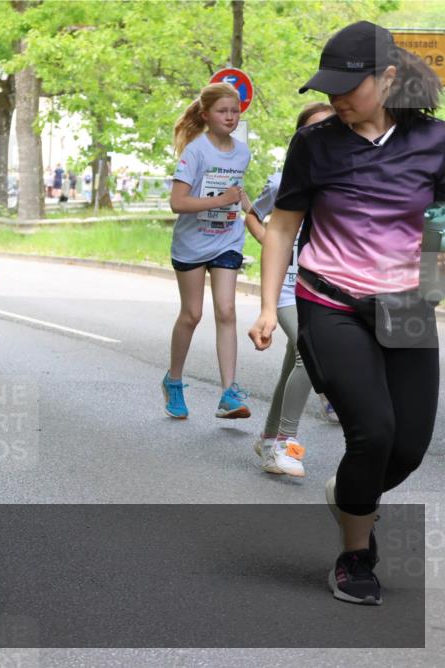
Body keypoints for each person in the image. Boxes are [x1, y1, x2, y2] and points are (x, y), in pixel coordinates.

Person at [249, 21, 443, 606]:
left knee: (407, 446)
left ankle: (353, 493)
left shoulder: (436, 142)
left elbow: (439, 222)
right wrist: (265, 305)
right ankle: (356, 553)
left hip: (407, 304)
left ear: (388, 79)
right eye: (327, 88)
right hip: (330, 299)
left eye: (346, 87)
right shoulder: (316, 143)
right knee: (373, 431)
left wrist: (432, 290)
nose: (334, 99)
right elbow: (282, 226)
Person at [245, 102, 336, 477]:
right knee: (309, 355)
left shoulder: (345, 180)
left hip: (324, 286)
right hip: (286, 288)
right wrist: (273, 245)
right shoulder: (284, 179)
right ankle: (287, 443)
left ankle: (268, 439)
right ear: (301, 137)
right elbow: (254, 214)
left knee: (292, 365)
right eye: (314, 130)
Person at [162, 82, 252, 420]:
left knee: (227, 311)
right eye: (222, 111)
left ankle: (229, 392)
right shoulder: (196, 152)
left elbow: (236, 194)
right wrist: (220, 200)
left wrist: (248, 207)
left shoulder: (242, 152)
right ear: (206, 115)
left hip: (227, 238)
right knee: (192, 314)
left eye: (234, 111)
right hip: (192, 243)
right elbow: (178, 202)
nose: (230, 117)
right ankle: (173, 381)